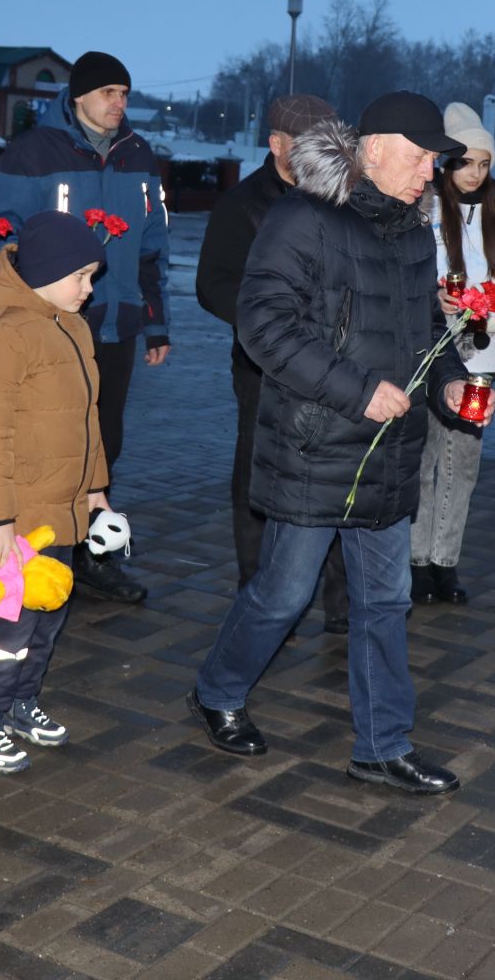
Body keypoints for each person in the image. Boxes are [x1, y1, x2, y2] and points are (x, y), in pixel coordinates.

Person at [186, 92, 483, 795]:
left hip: (386, 451)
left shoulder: (414, 232)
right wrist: (355, 390)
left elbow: (423, 335)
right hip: (316, 445)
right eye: (417, 159)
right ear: (373, 147)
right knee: (283, 595)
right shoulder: (303, 218)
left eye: (433, 162)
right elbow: (263, 325)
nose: (426, 175)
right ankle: (217, 689)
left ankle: (382, 746)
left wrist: (449, 382)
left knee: (385, 603)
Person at [0, 51, 166, 606]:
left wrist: (157, 325)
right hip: (52, 327)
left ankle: (93, 555)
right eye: (108, 92)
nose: (118, 104)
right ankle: (34, 553)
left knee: (103, 444)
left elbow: (154, 246)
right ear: (78, 96)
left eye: (125, 94)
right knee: (49, 445)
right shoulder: (35, 151)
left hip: (117, 324)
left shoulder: (139, 156)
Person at [0, 211, 114, 774]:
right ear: (46, 272)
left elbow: (87, 420)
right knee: (5, 626)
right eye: (82, 276)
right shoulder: (2, 333)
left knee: (46, 616)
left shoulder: (69, 324)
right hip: (19, 516)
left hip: (64, 509)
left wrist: (96, 491)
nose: (89, 289)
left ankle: (20, 702)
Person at [195, 95, 348, 630]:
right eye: (307, 145)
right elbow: (211, 285)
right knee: (258, 478)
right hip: (264, 366)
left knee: (334, 476)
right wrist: (270, 316)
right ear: (277, 144)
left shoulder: (340, 197)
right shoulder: (242, 204)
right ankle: (255, 590)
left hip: (334, 365)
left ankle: (341, 603)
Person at [410, 102, 495, 606]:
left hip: (479, 360)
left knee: (464, 465)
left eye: (484, 163)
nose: (476, 173)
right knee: (425, 459)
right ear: (446, 163)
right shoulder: (425, 209)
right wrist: (434, 297)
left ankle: (445, 563)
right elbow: (410, 276)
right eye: (466, 162)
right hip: (431, 352)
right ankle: (415, 562)